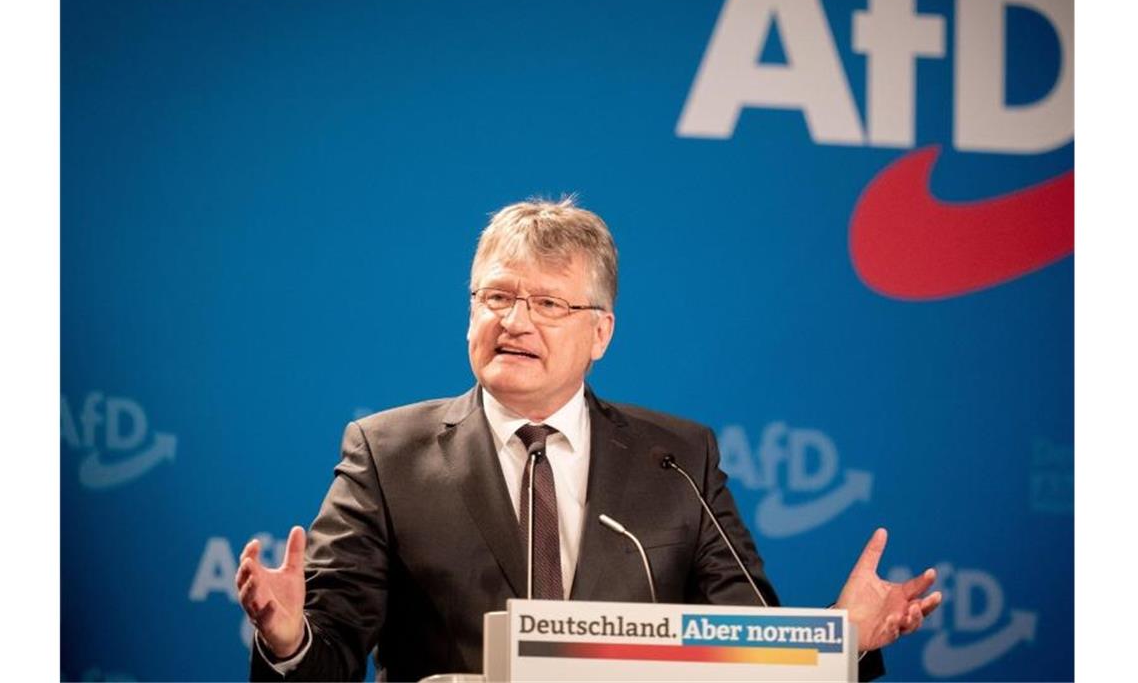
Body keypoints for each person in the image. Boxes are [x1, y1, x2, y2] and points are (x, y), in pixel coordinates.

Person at [236, 197, 941, 682]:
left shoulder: (678, 459)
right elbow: (323, 657)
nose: (515, 320)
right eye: (497, 297)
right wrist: (290, 637)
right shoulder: (387, 454)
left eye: (547, 304)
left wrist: (840, 645)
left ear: (600, 332)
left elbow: (745, 653)